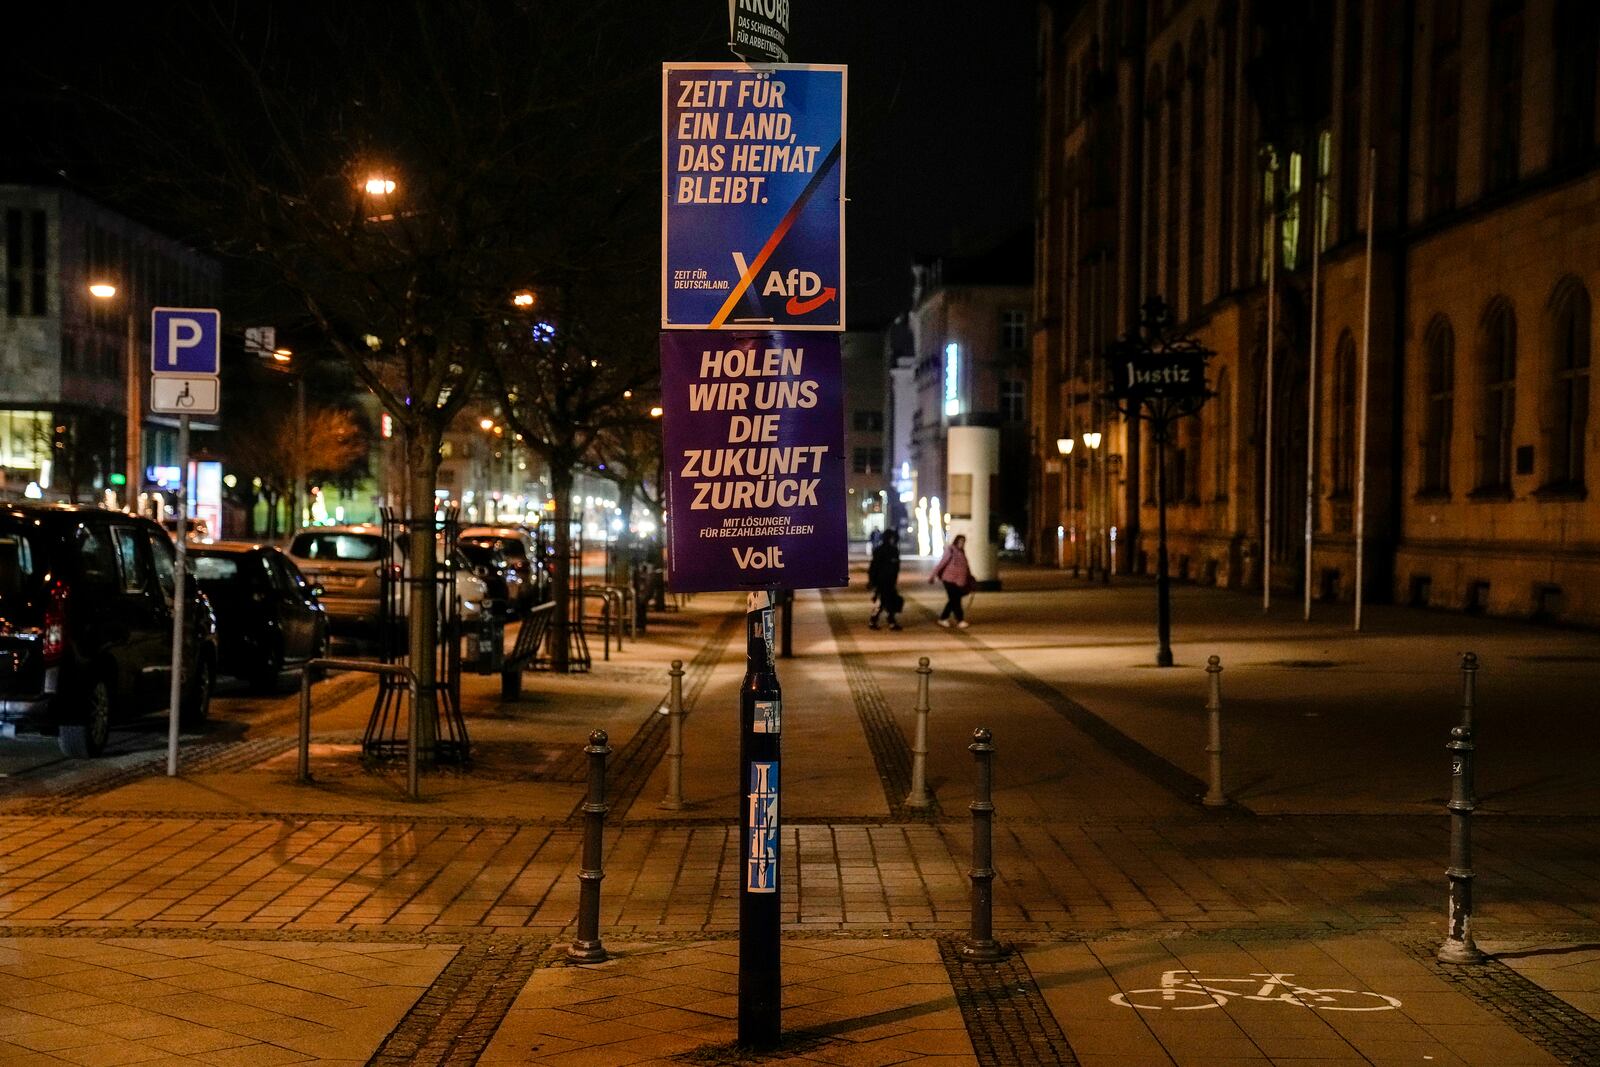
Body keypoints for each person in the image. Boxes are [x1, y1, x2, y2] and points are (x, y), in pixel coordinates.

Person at [929, 533, 975, 628]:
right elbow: (942, 563)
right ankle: (958, 620)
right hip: (949, 580)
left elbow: (965, 566)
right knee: (955, 600)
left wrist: (970, 577)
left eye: (963, 541)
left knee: (954, 600)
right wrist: (932, 575)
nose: (962, 543)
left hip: (959, 581)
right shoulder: (950, 550)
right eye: (960, 541)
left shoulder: (962, 552)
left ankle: (945, 618)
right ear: (956, 541)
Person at [867, 528, 903, 630]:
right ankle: (879, 620)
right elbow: (876, 566)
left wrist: (871, 580)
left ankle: (886, 620)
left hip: (883, 580)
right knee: (885, 600)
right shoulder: (890, 550)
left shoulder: (882, 549)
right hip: (884, 580)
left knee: (888, 600)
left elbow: (873, 566)